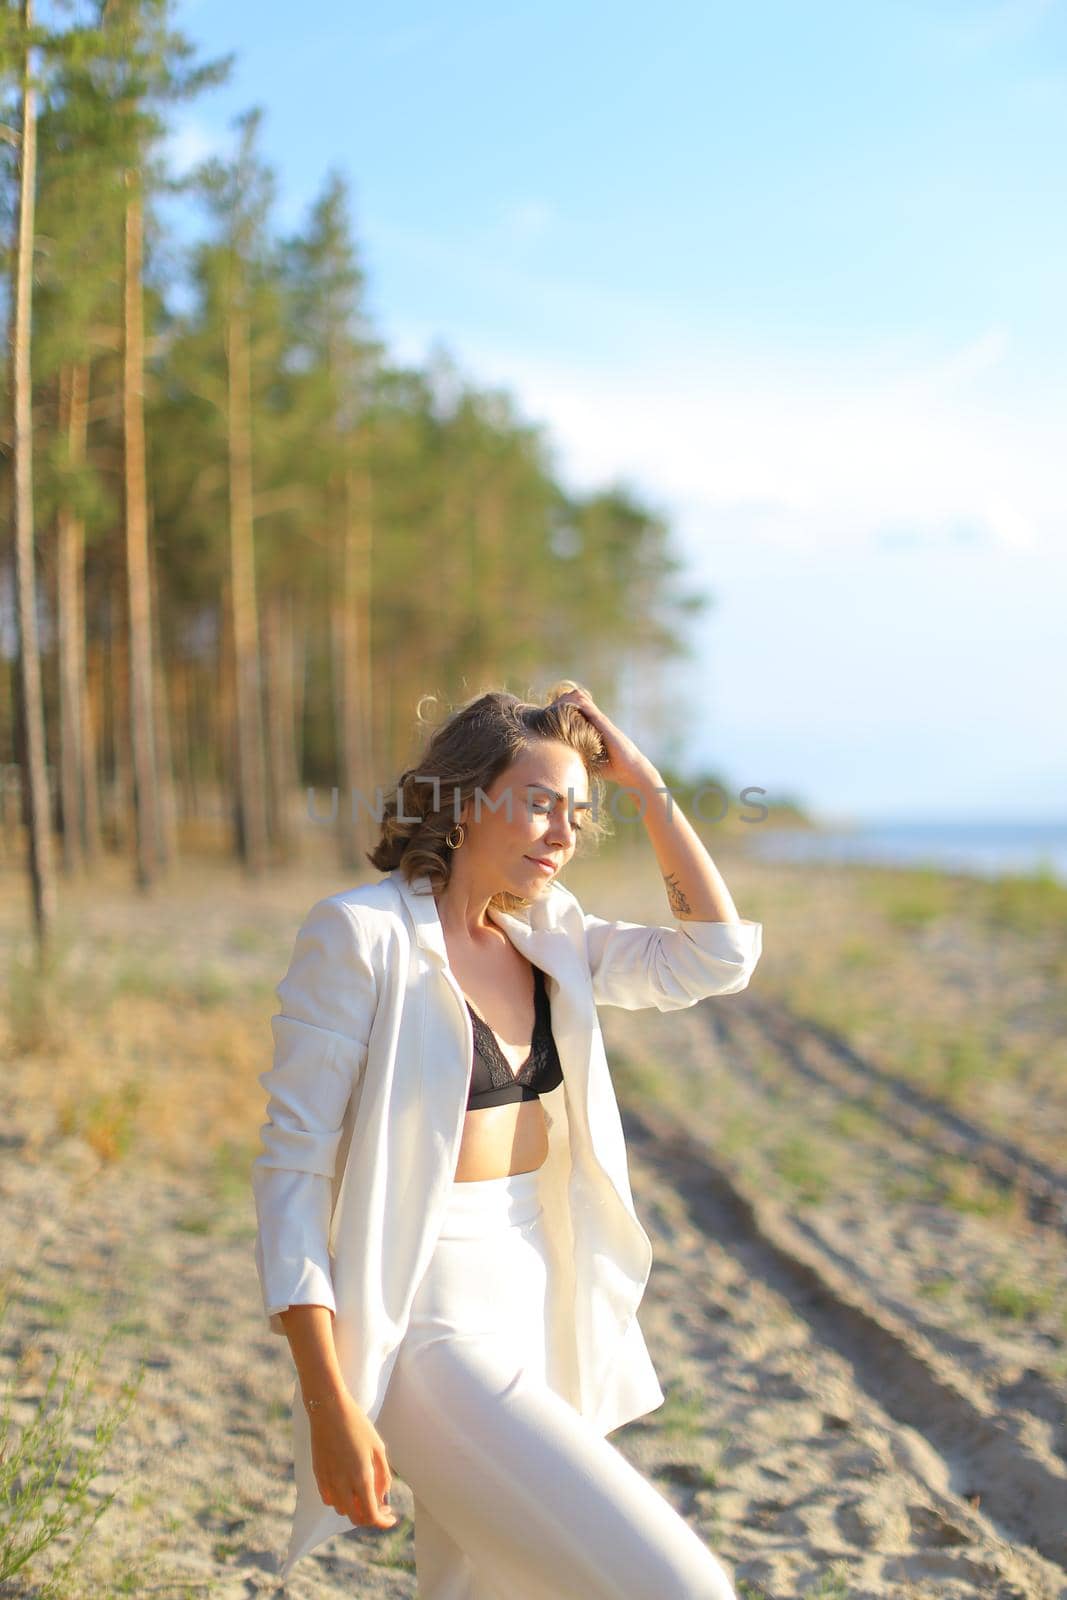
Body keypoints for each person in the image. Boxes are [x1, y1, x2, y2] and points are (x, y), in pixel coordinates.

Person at [251, 681, 763, 1596]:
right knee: (683, 1587)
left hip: (541, 1298)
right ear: (459, 799)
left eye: (577, 813)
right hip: (430, 1322)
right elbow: (290, 1176)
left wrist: (641, 781)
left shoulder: (552, 936)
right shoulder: (359, 936)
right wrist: (330, 1405)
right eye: (538, 805)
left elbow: (717, 957)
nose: (563, 835)